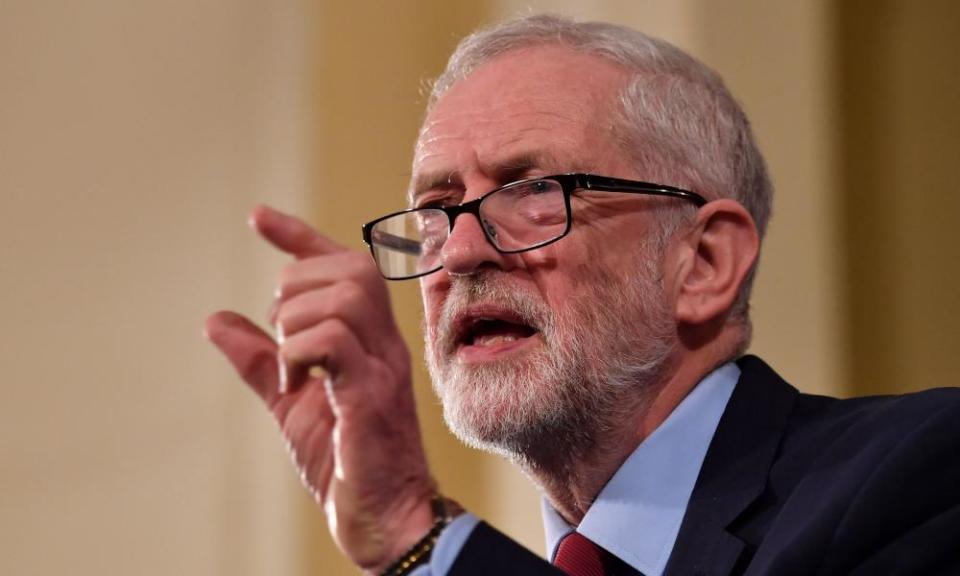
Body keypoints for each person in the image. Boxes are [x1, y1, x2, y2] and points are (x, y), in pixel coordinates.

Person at [205, 14, 960, 576]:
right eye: (436, 211)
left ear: (703, 261)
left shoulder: (918, 477)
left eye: (534, 191)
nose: (461, 251)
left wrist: (413, 526)